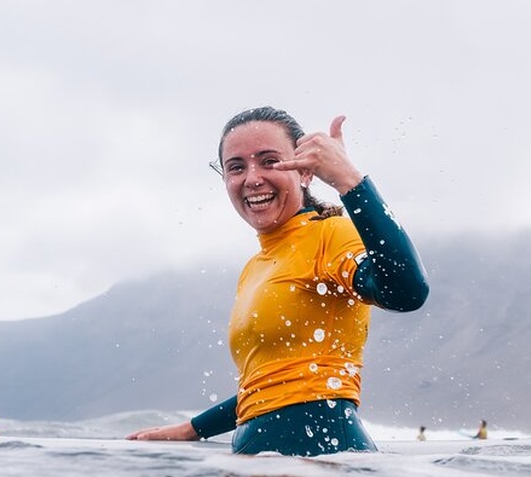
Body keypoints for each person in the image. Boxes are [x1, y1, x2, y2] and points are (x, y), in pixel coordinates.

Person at [126, 106, 429, 456]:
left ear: (305, 172)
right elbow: (271, 386)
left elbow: (406, 292)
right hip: (266, 463)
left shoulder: (330, 235)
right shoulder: (256, 267)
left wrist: (349, 181)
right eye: (236, 167)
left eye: (269, 161)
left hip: (323, 464)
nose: (252, 178)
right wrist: (193, 429)